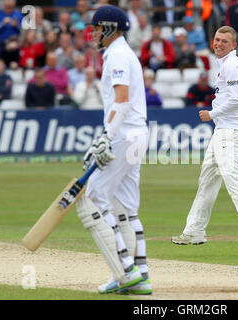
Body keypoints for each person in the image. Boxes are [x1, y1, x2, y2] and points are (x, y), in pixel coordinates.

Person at [171, 26, 238, 251]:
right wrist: (234, 111)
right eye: (217, 40)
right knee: (207, 181)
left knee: (231, 178)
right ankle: (194, 231)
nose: (219, 44)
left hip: (231, 131)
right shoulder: (226, 65)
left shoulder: (233, 66)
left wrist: (213, 114)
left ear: (233, 45)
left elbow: (237, 99)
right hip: (224, 131)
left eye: (225, 41)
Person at [79, 5, 152, 295]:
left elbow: (121, 100)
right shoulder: (121, 53)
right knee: (126, 208)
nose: (94, 32)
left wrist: (106, 137)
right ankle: (140, 275)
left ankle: (125, 271)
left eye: (97, 28)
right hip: (136, 134)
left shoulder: (118, 55)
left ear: (108, 28)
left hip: (123, 135)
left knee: (94, 200)